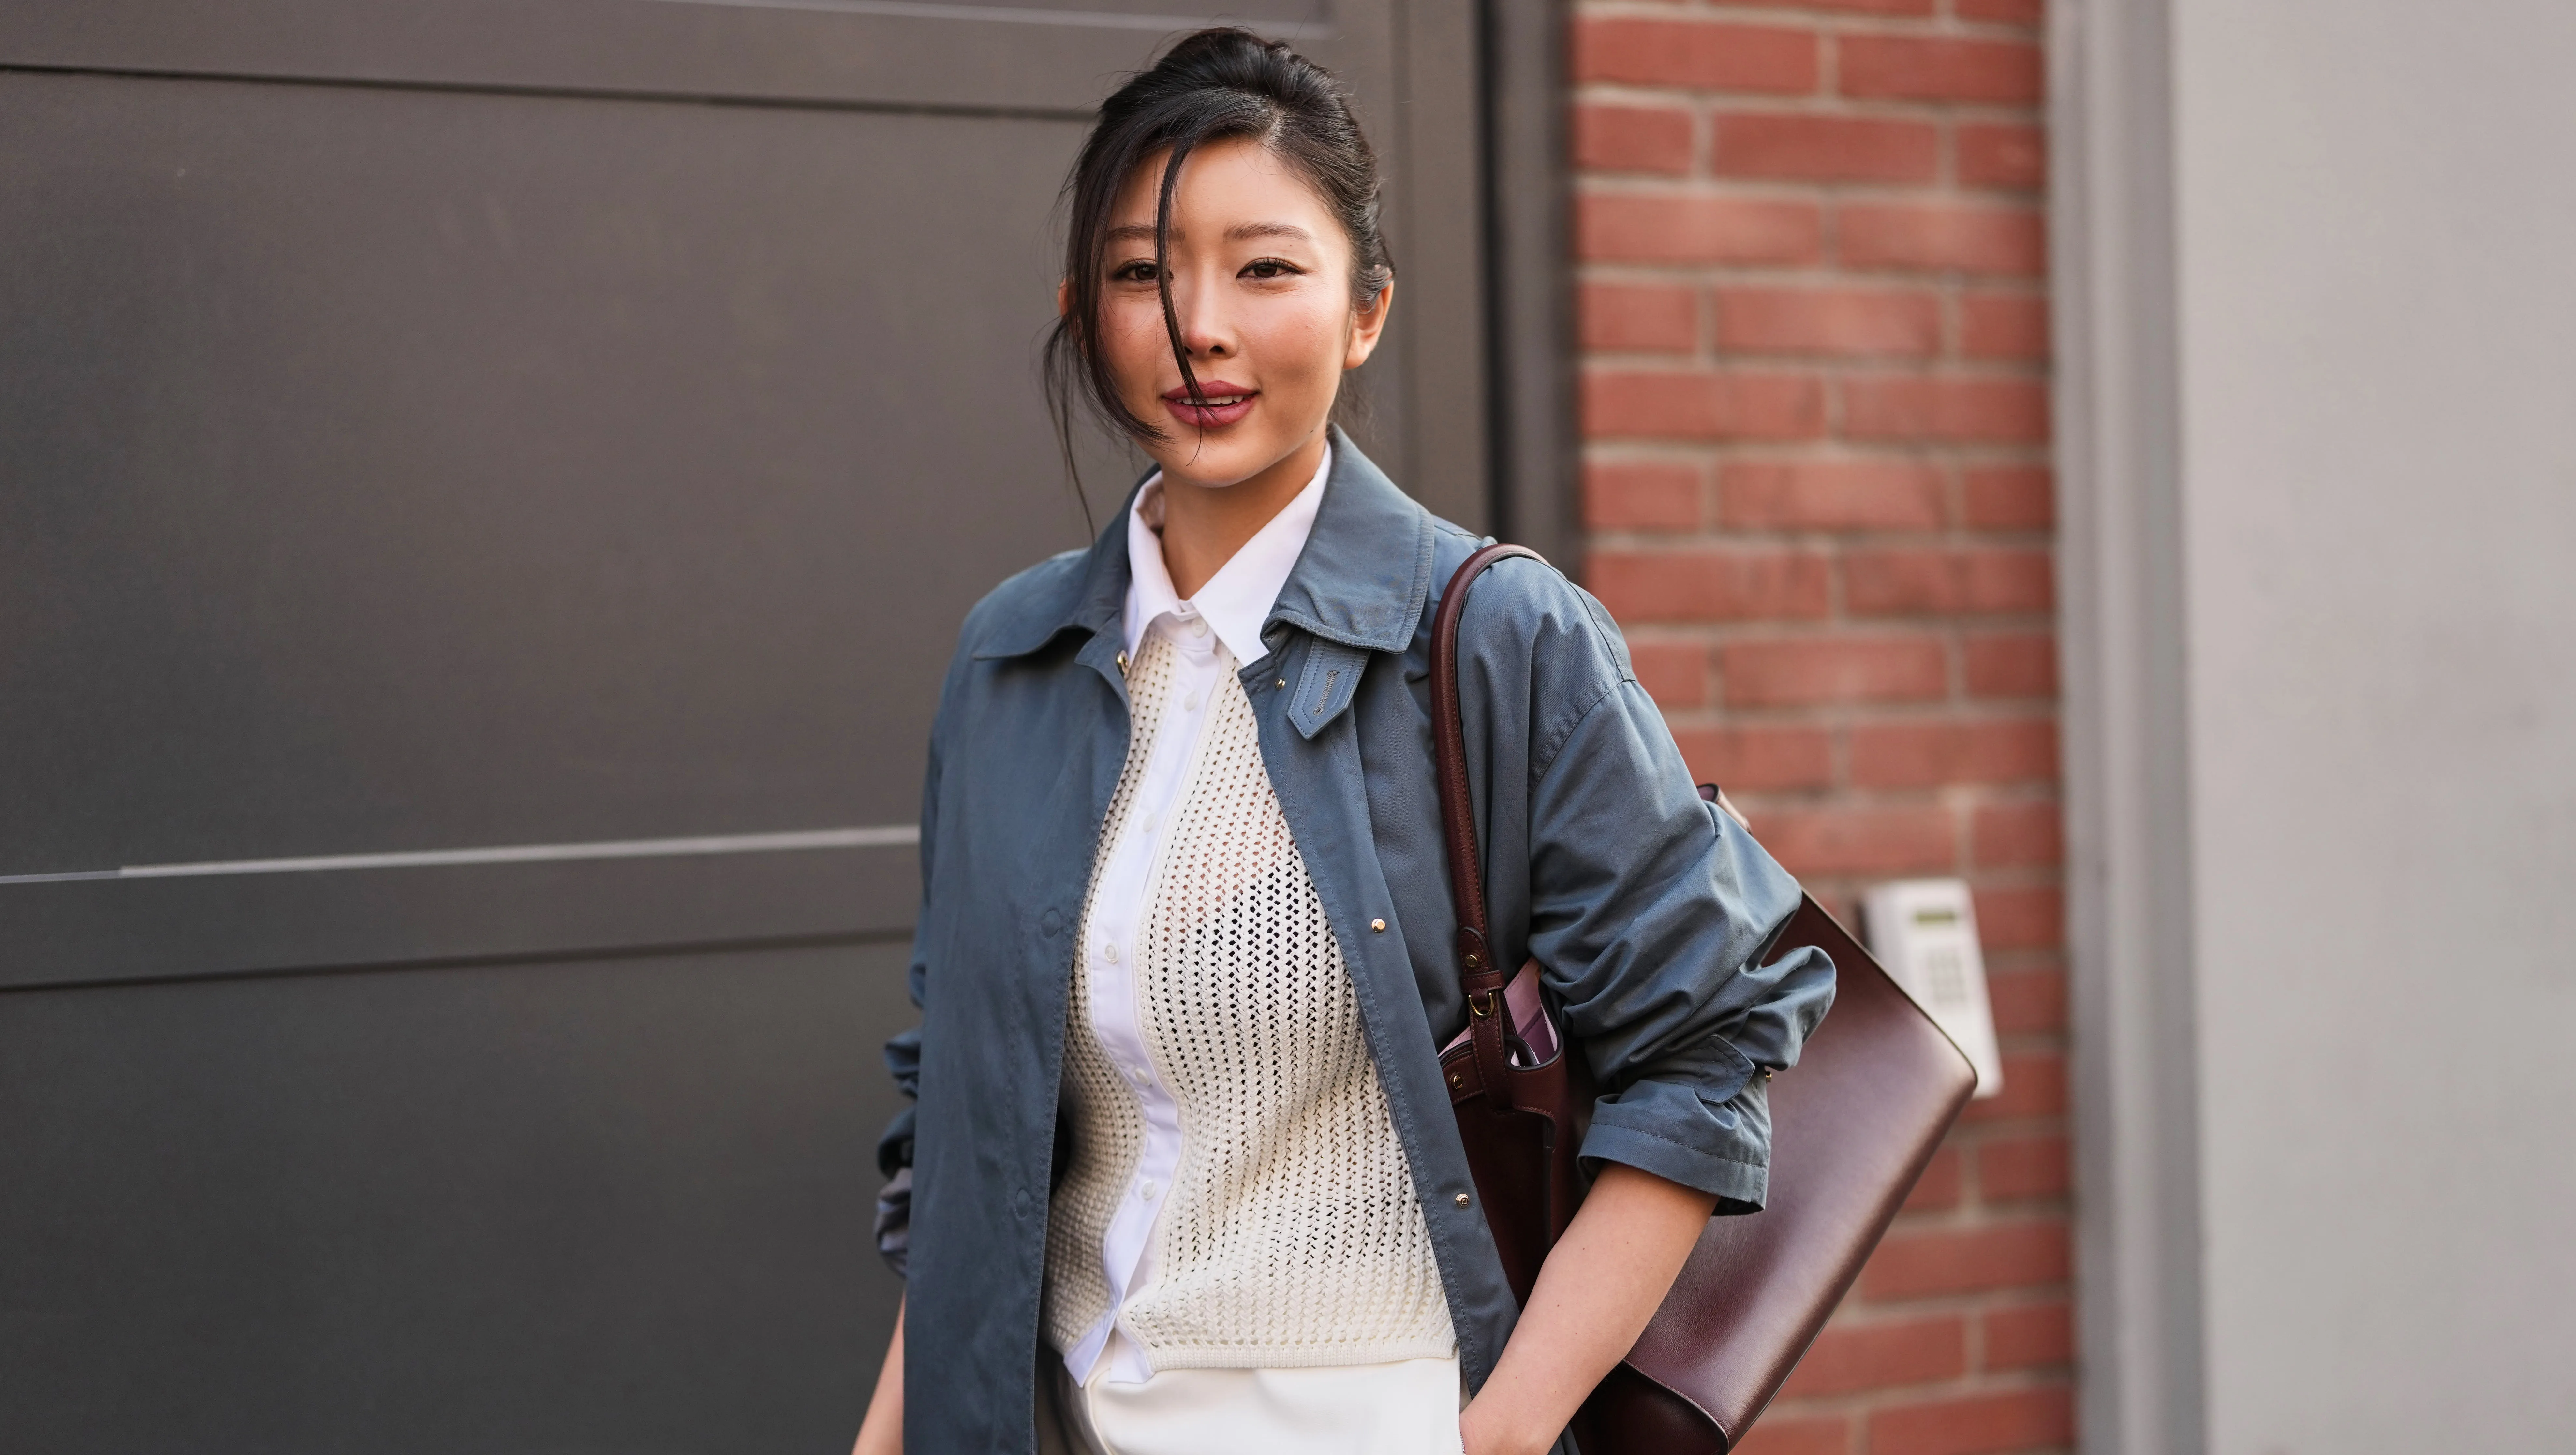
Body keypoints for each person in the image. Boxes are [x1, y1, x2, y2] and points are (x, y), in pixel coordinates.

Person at [852, 29, 1832, 1455]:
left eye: (1264, 268)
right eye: (1142, 274)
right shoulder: (1010, 661)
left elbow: (1701, 1055)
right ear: (1082, 310)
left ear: (1365, 308)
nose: (1201, 329)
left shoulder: (1501, 638)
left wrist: (1504, 1435)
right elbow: (962, 1126)